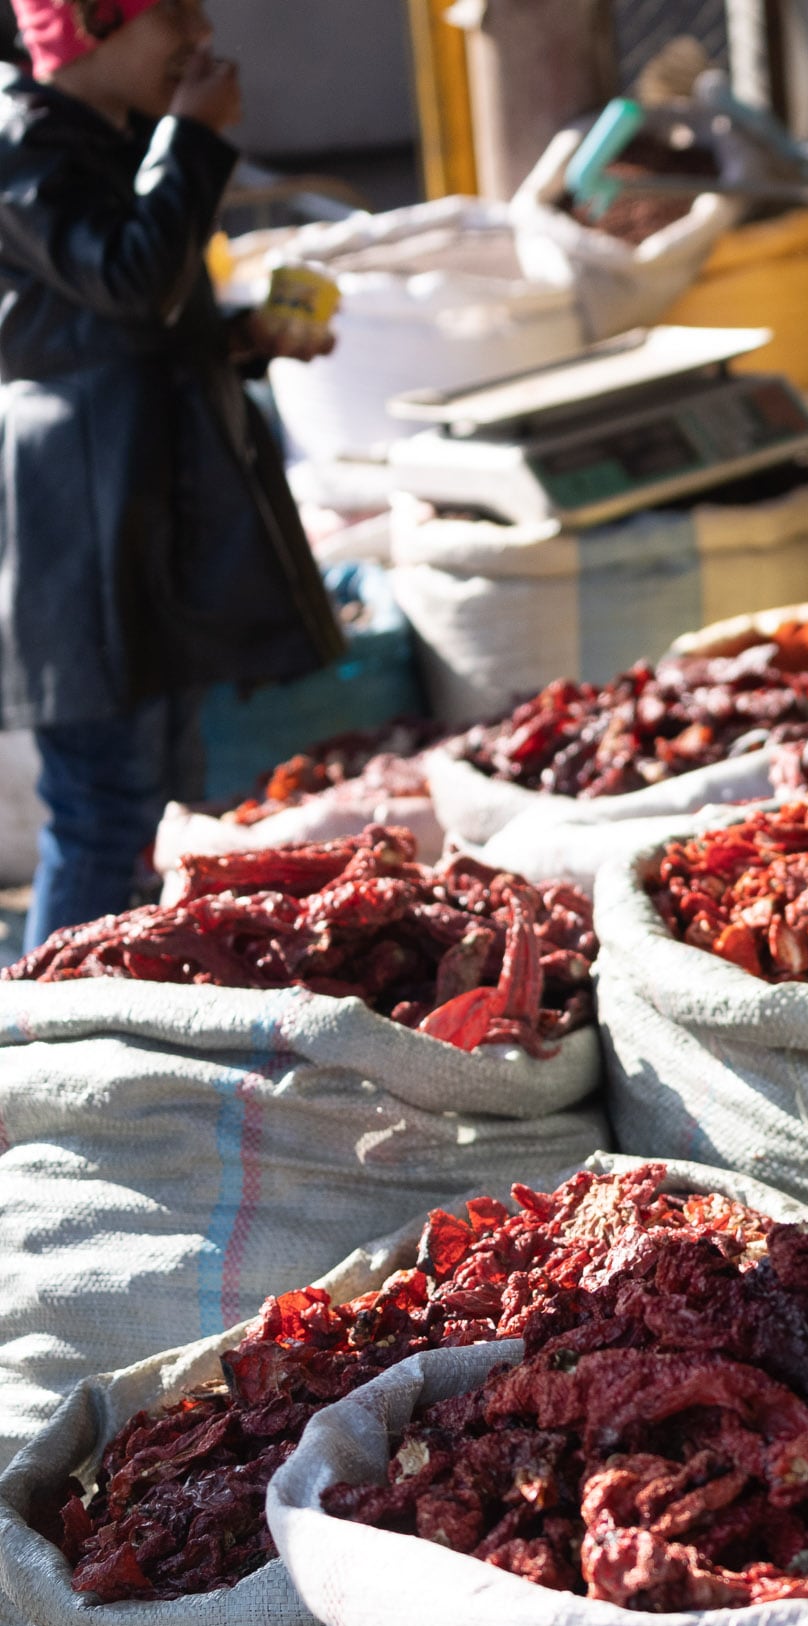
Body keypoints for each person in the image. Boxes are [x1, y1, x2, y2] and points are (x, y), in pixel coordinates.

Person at [0, 0, 341, 950]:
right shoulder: (22, 144)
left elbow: (133, 327)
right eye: (172, 13)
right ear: (88, 24)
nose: (199, 34)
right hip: (82, 528)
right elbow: (130, 277)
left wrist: (242, 339)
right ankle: (36, 1051)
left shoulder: (111, 137)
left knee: (161, 806)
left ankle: (124, 1029)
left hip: (147, 522)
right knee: (105, 808)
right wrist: (190, 136)